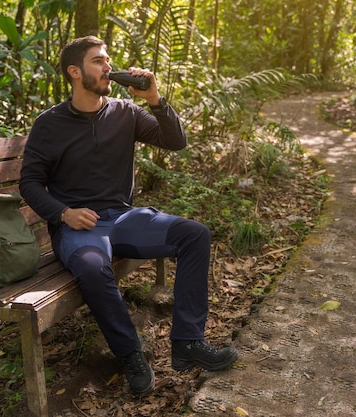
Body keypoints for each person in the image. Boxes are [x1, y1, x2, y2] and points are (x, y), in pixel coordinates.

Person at [19, 35, 238, 395]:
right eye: (97, 61)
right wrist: (63, 214)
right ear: (75, 72)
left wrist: (154, 99)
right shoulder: (50, 123)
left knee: (194, 234)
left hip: (123, 219)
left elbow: (176, 141)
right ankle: (130, 353)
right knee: (91, 266)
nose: (108, 66)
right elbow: (29, 182)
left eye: (107, 59)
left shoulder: (125, 112)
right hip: (81, 227)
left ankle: (187, 342)